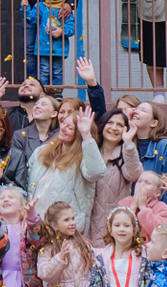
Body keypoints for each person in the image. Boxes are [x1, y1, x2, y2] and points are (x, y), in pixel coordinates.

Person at [27, 100, 108, 237]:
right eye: (64, 123)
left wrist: (86, 135)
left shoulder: (84, 157)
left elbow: (97, 172)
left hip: (67, 229)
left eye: (70, 128)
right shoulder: (41, 152)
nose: (63, 128)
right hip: (37, 225)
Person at [87, 109, 144, 247]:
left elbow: (134, 175)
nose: (114, 128)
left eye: (120, 125)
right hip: (87, 224)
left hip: (114, 226)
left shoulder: (126, 154)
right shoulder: (90, 151)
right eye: (110, 123)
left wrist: (128, 143)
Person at [21, 0, 79, 88]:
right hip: (43, 47)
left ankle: (57, 91)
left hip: (59, 48)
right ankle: (43, 91)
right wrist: (25, 7)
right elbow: (31, 19)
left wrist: (62, 31)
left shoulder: (65, 8)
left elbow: (72, 28)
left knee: (57, 71)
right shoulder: (41, 6)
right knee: (44, 71)